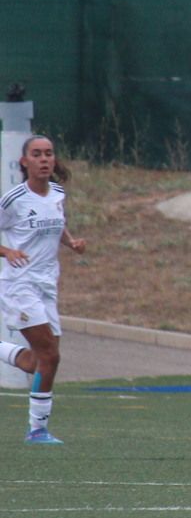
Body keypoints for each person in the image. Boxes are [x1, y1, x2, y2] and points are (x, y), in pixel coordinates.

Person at [0, 136, 86, 444]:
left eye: (48, 153)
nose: (44, 159)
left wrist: (71, 242)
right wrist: (7, 251)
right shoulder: (14, 200)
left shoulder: (58, 193)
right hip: (19, 284)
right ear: (25, 162)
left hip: (48, 284)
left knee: (39, 361)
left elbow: (57, 223)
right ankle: (37, 430)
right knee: (50, 355)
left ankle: (38, 429)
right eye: (37, 154)